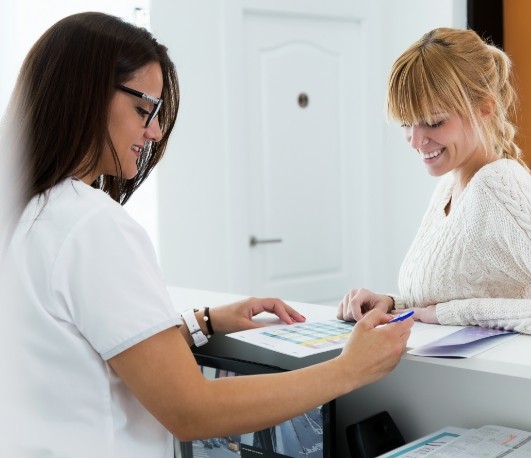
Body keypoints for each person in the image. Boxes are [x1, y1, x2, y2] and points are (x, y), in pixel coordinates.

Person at [0, 12, 413, 457]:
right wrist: (349, 369)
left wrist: (204, 323)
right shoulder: (91, 225)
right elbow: (190, 410)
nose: (154, 132)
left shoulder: (25, 213)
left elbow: (74, 357)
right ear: (84, 94)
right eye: (144, 110)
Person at [338, 27, 531, 334]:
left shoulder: (499, 185)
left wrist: (450, 313)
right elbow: (440, 301)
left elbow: (445, 310)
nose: (416, 141)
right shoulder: (448, 189)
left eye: (433, 122)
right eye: (406, 123)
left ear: (485, 107)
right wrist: (391, 303)